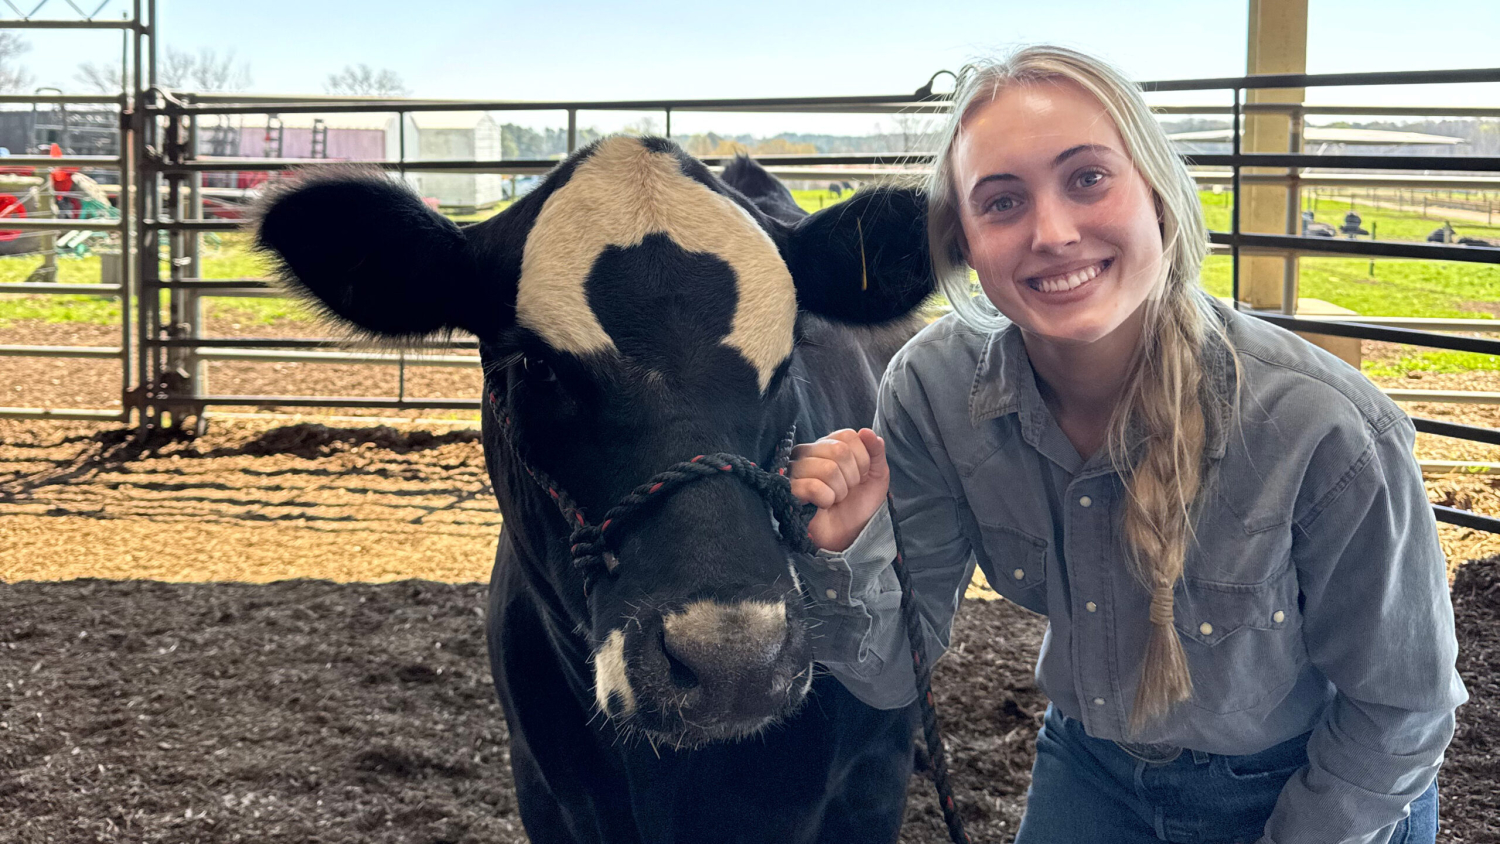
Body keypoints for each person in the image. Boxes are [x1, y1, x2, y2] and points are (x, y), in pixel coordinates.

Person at [788, 46, 1466, 844]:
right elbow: (895, 671)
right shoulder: (933, 394)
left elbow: (1402, 710)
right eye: (1001, 203)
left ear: (1159, 195)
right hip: (1093, 765)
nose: (1052, 232)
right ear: (963, 244)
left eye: (1087, 178)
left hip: (1320, 785)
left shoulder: (1325, 428)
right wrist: (845, 553)